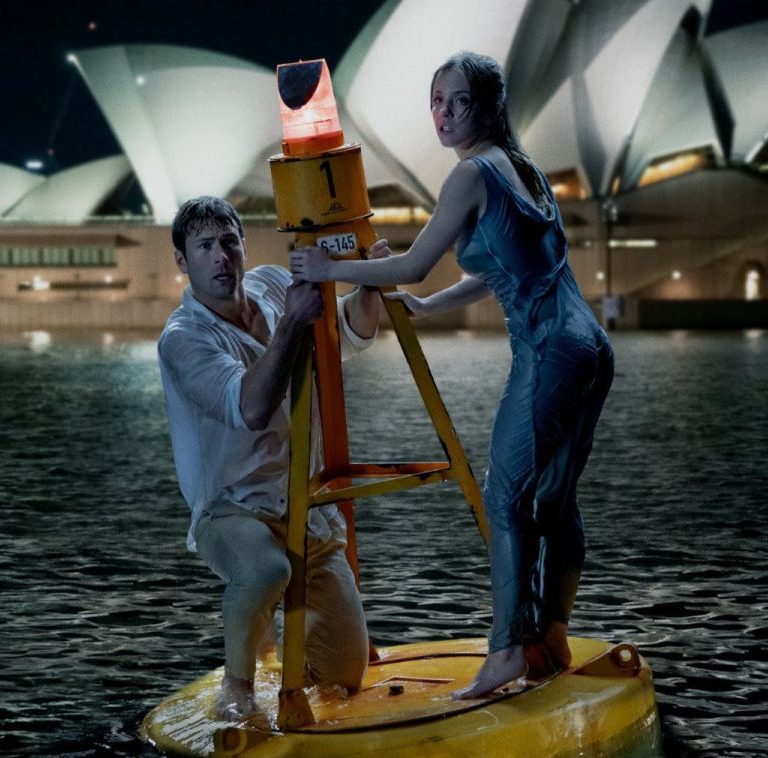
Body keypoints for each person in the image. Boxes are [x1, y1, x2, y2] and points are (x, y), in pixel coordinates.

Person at [290, 52, 614, 699]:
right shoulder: (523, 169)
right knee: (553, 499)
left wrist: (328, 272)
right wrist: (435, 306)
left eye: (456, 101)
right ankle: (550, 634)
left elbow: (411, 265)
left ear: (487, 108)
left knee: (504, 497)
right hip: (590, 348)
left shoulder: (470, 174)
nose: (441, 113)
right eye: (435, 100)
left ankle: (506, 652)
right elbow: (506, 269)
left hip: (549, 350)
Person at [157, 196, 385, 720]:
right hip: (232, 507)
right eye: (205, 247)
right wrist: (289, 327)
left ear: (244, 245)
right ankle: (236, 687)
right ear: (182, 262)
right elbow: (252, 407)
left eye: (229, 242)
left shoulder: (272, 283)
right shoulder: (184, 338)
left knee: (346, 671)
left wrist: (369, 280)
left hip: (303, 504)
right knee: (263, 569)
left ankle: (280, 642)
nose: (221, 257)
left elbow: (349, 333)